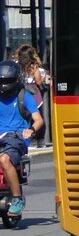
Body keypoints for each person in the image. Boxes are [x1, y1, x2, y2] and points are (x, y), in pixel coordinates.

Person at [0, 59, 42, 222]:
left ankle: (17, 198)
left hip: (17, 137)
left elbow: (38, 120)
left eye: (7, 81)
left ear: (16, 80)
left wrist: (30, 130)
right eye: (1, 81)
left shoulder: (25, 96)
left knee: (4, 159)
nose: (4, 85)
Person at [15, 44, 48, 148]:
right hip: (23, 96)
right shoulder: (19, 67)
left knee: (38, 117)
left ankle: (40, 139)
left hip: (35, 96)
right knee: (26, 117)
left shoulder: (35, 66)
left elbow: (38, 82)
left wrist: (35, 72)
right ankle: (29, 137)